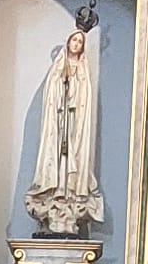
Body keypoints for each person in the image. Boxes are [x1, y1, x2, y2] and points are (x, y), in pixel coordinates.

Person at [25, 27, 104, 237]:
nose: (76, 44)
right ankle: (55, 192)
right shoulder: (59, 68)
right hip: (59, 121)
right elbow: (51, 94)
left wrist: (75, 98)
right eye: (74, 40)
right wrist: (62, 89)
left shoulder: (83, 70)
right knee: (56, 157)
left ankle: (70, 194)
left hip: (75, 122)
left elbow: (85, 99)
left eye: (80, 42)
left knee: (73, 158)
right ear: (68, 42)